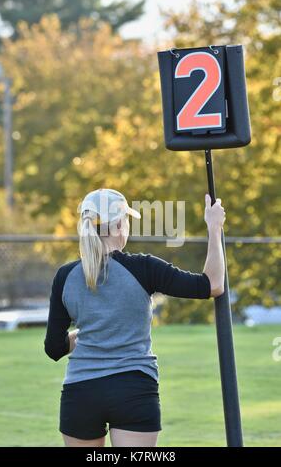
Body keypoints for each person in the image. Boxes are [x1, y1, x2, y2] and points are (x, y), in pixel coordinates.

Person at [44, 188, 226, 447]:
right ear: (119, 225)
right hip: (134, 389)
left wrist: (90, 333)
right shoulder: (143, 267)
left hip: (81, 394)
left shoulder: (65, 276)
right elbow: (212, 285)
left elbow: (53, 348)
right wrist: (214, 228)